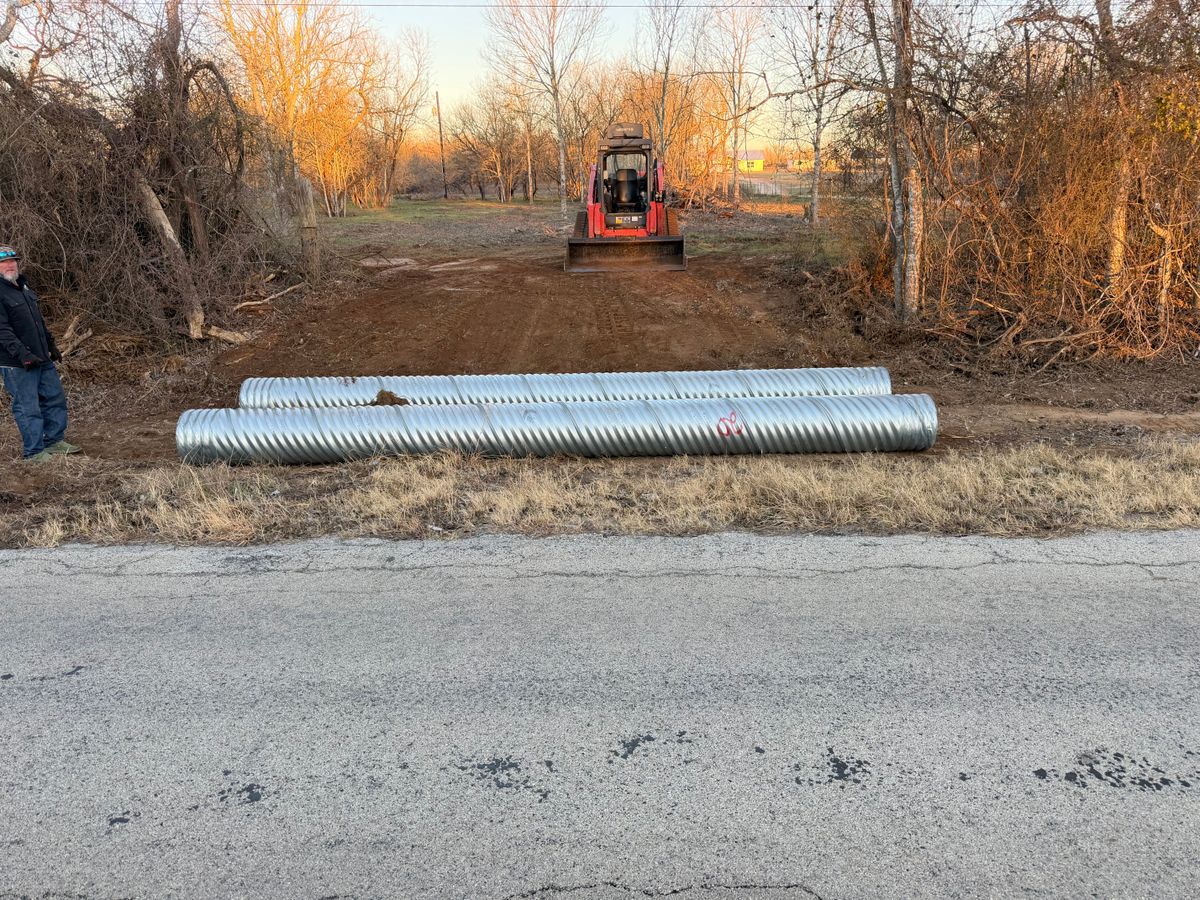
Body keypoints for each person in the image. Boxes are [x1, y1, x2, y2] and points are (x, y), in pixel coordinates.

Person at [0, 245, 79, 461]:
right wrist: (23, 354)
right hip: (17, 363)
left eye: (13, 261)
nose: (10, 265)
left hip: (41, 357)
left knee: (55, 398)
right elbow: (3, 331)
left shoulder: (22, 288)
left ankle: (53, 441)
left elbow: (38, 322)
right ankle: (34, 451)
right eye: (5, 262)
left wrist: (51, 345)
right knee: (28, 406)